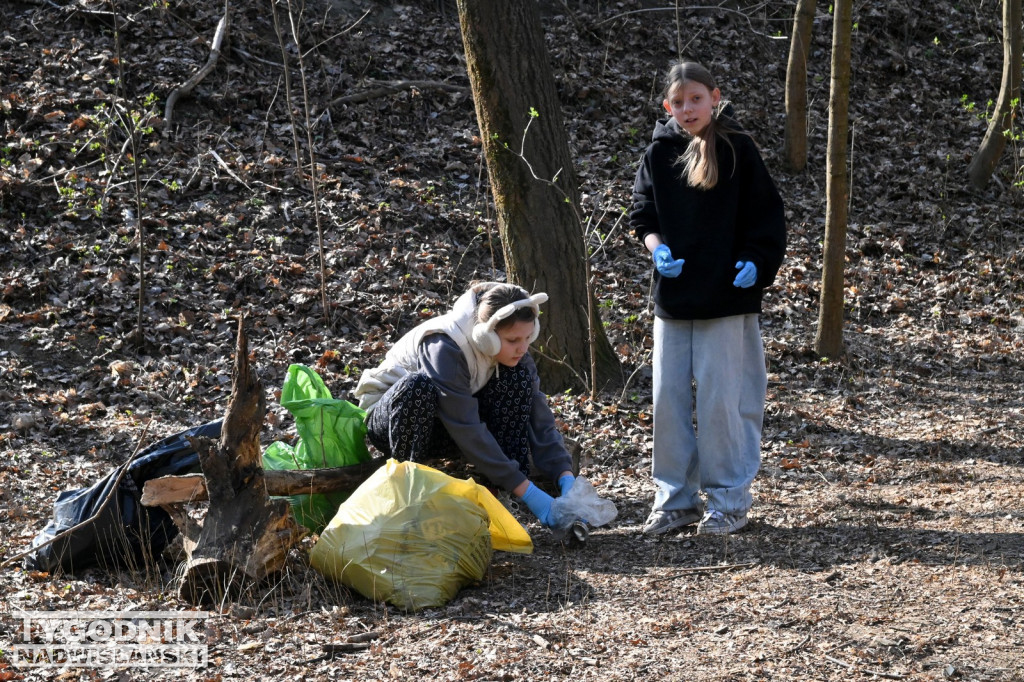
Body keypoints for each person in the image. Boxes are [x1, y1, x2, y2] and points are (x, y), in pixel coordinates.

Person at [630, 61, 786, 535]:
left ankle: (729, 501)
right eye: (678, 102)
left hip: (727, 299)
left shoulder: (738, 148)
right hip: (674, 301)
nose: (688, 109)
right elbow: (643, 215)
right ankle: (675, 500)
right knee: (668, 402)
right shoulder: (658, 152)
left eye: (696, 98)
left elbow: (767, 218)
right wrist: (657, 251)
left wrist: (756, 261)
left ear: (714, 97)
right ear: (667, 106)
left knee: (724, 402)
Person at [353, 281, 577, 528]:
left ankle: (500, 494)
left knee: (517, 379)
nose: (522, 348)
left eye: (528, 337)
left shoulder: (516, 352)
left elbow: (539, 417)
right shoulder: (444, 345)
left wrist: (564, 474)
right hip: (393, 425)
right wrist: (531, 493)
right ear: (486, 337)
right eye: (513, 340)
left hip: (446, 425)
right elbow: (465, 426)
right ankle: (408, 495)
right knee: (417, 387)